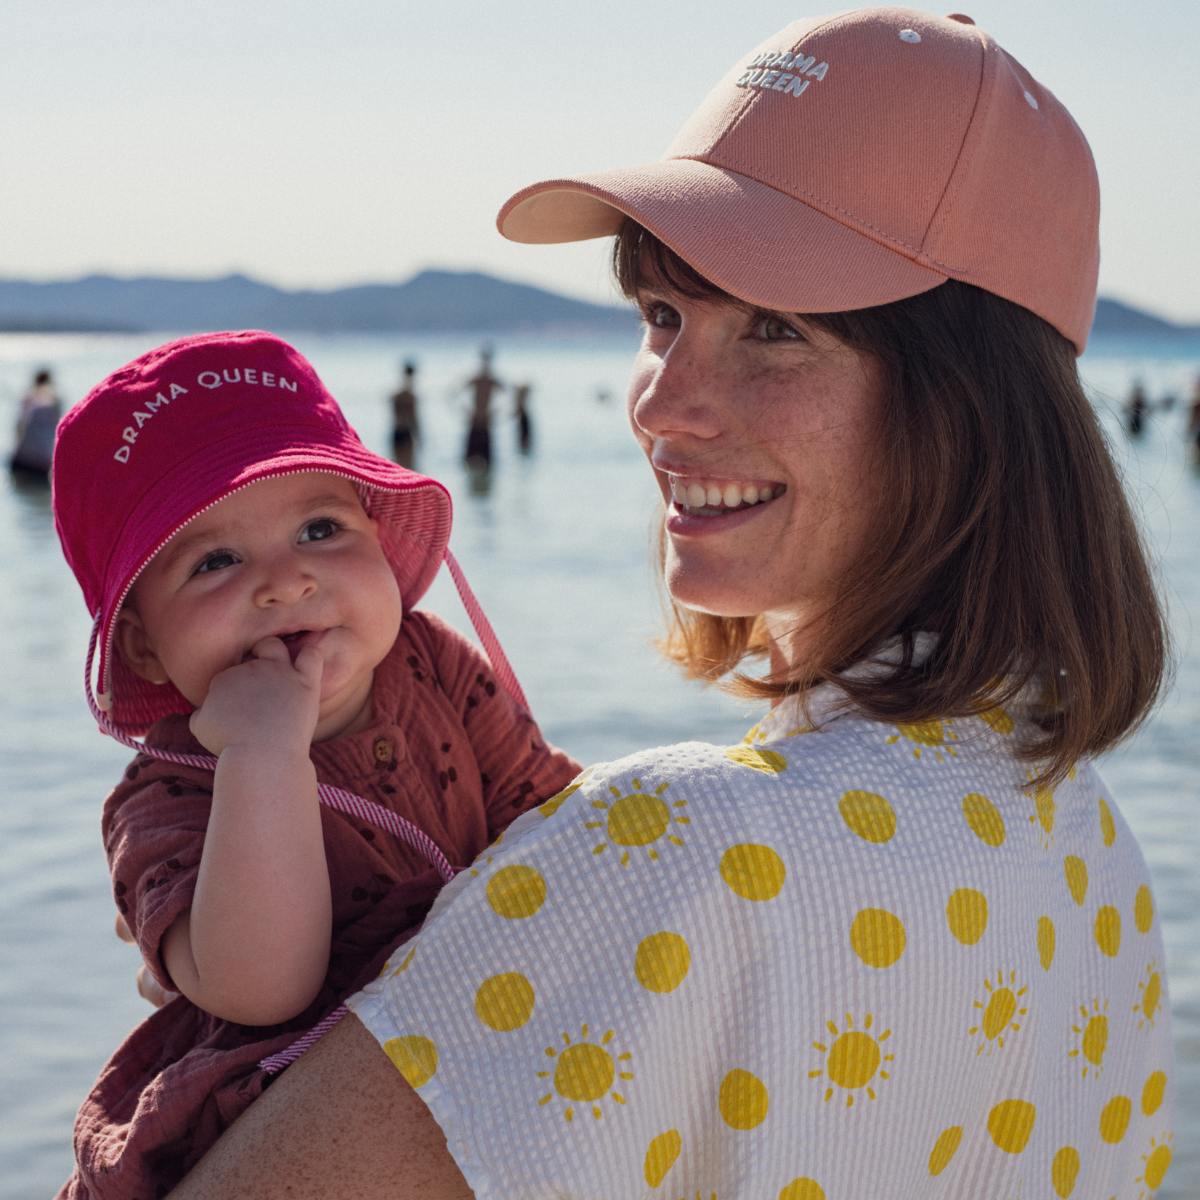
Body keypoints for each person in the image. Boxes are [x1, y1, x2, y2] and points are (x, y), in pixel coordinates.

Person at [173, 11, 1176, 1199]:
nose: (662, 404)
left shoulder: (678, 853)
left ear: (976, 408)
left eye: (776, 330)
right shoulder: (1087, 840)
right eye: (661, 316)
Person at [49, 330, 580, 1199]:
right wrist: (263, 755)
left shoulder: (428, 659)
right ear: (143, 644)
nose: (287, 582)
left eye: (320, 528)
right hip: (285, 1132)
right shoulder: (169, 796)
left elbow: (553, 817)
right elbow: (263, 990)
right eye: (216, 560)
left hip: (476, 1051)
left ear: (377, 535)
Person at [10, 366, 61, 475]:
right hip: (41, 460)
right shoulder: (56, 401)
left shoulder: (28, 399)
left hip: (23, 458)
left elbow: (18, 428)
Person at [462, 345, 503, 470]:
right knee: (468, 461)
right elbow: (452, 394)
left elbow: (510, 396)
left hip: (485, 423)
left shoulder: (492, 380)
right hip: (475, 422)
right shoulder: (477, 379)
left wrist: (496, 411)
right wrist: (466, 410)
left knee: (488, 463)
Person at [390, 359, 421, 468]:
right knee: (408, 467)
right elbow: (414, 418)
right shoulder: (410, 396)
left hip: (396, 431)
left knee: (397, 466)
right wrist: (419, 436)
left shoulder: (395, 395)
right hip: (406, 432)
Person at [512, 382, 534, 453]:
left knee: (524, 436)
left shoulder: (519, 399)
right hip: (523, 419)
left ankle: (524, 447)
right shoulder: (519, 399)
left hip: (523, 419)